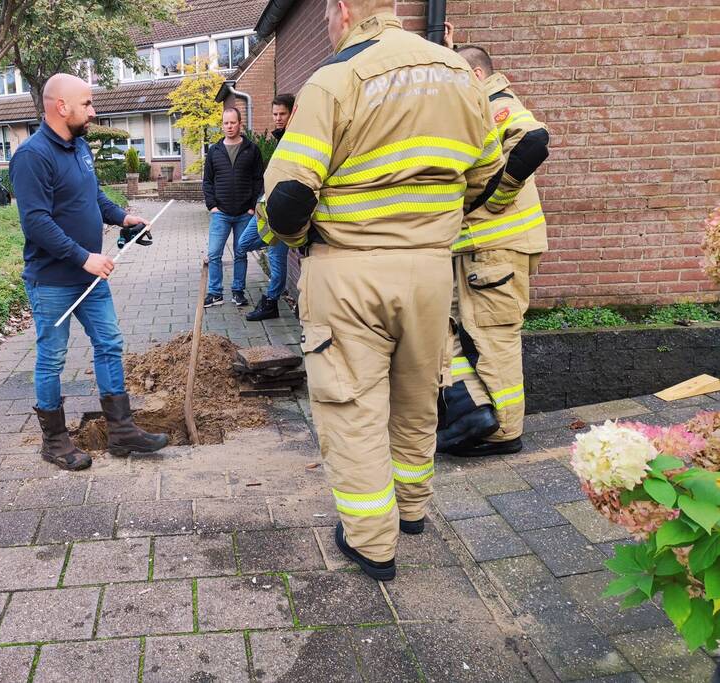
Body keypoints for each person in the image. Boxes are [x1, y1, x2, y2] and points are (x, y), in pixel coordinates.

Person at [260, 0, 504, 581]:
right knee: (418, 394)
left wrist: (290, 235)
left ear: (343, 10)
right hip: (428, 272)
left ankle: (372, 540)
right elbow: (489, 173)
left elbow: (288, 197)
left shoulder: (334, 79)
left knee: (353, 406)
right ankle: (413, 509)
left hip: (350, 274)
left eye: (325, 15)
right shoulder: (457, 74)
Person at [9, 73, 169, 472]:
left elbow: (92, 195)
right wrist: (84, 257)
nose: (93, 111)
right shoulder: (32, 156)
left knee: (110, 343)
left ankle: (121, 431)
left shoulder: (79, 146)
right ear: (60, 106)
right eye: (86, 104)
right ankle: (55, 441)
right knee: (52, 358)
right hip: (53, 282)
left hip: (90, 278)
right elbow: (36, 223)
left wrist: (122, 216)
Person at [436, 42, 551, 458]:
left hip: (496, 250)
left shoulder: (495, 100)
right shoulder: (480, 101)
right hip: (479, 250)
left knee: (493, 338)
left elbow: (534, 141)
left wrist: (497, 197)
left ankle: (503, 433)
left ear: (477, 76)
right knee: (448, 327)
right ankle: (476, 416)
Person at [235, 94, 296, 322]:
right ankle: (281, 239)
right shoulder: (281, 138)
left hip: (282, 208)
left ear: (293, 113)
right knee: (245, 242)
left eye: (282, 114)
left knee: (276, 255)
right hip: (268, 203)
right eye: (275, 114)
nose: (278, 119)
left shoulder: (295, 138)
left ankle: (271, 302)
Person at [202, 107, 265, 308]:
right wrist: (212, 206)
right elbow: (207, 181)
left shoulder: (252, 149)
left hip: (244, 214)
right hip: (220, 213)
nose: (229, 126)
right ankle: (215, 293)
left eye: (233, 122)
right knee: (214, 254)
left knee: (240, 253)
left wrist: (252, 207)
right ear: (222, 125)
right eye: (226, 123)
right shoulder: (214, 151)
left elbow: (258, 180)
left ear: (240, 123)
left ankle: (238, 292)